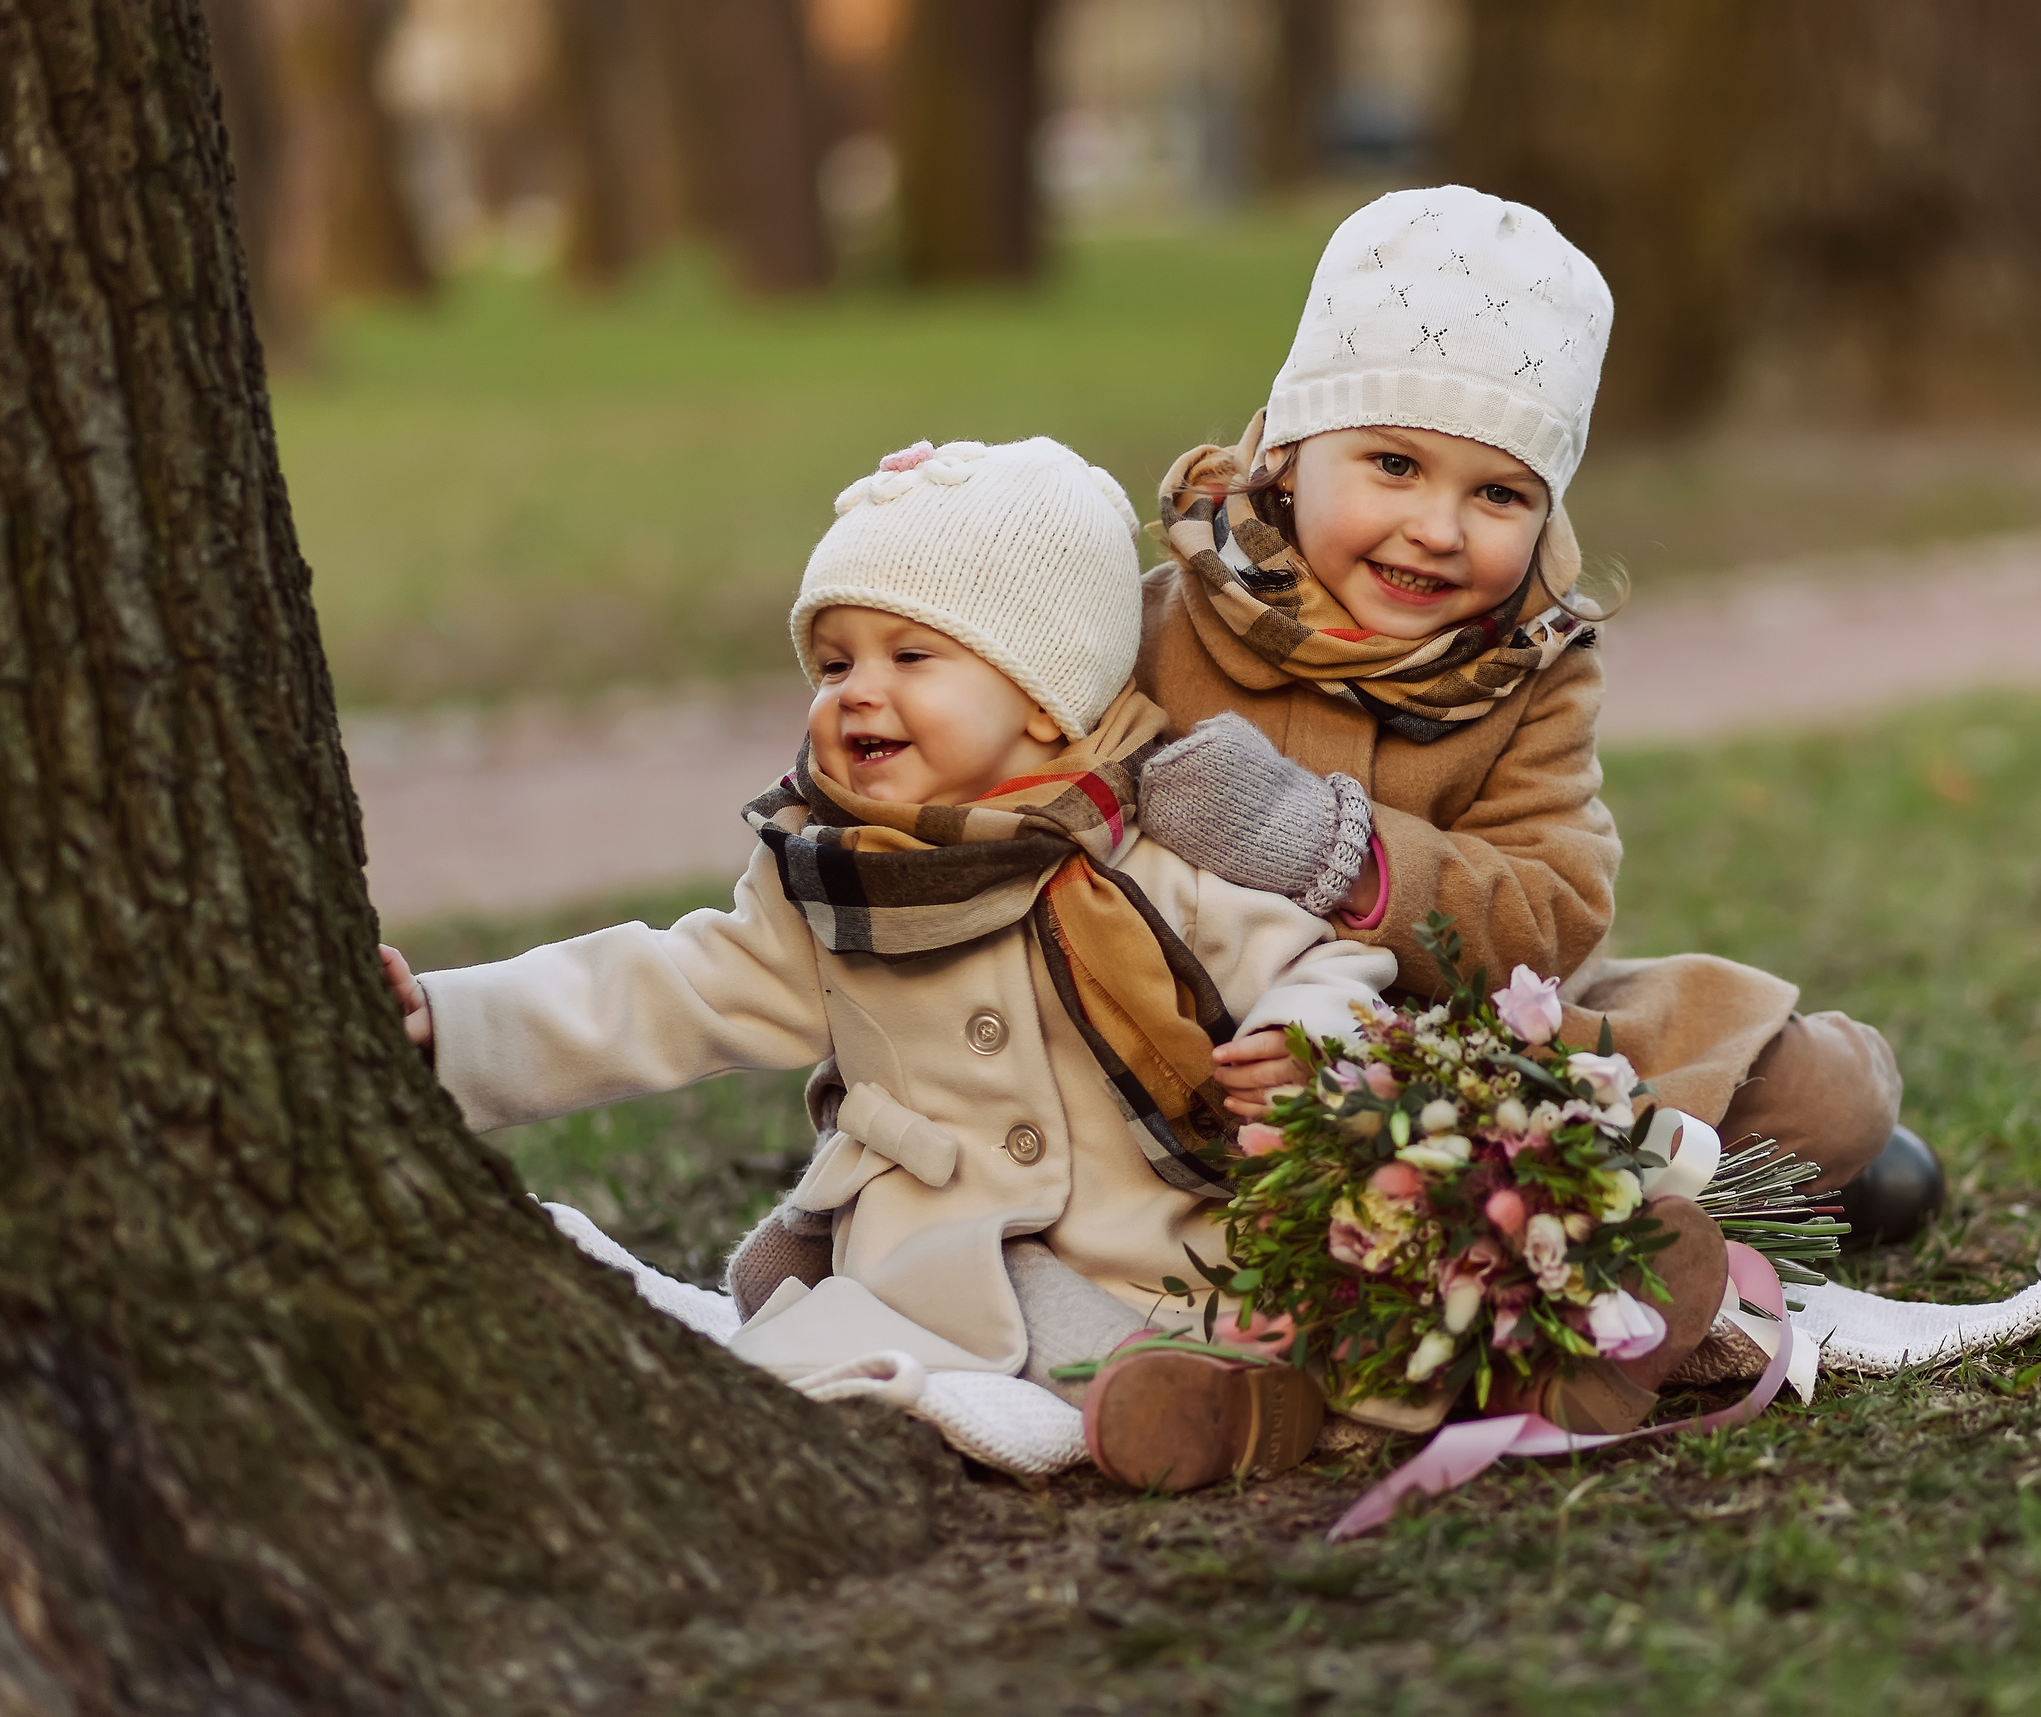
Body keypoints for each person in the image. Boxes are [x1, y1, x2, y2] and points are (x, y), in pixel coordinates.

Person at [380, 437, 1426, 1489]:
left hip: (1152, 1223)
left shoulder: (1149, 848)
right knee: (936, 1330)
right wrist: (453, 1023)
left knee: (1261, 1315)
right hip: (936, 1240)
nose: (855, 693)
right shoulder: (830, 876)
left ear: (1041, 695)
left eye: (909, 656)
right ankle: (1176, 1397)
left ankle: (1212, 1392)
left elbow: (1317, 961)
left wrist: (1306, 1042)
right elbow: (666, 987)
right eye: (834, 663)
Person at [1126, 187, 1945, 1428]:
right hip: (1186, 1059)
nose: (1435, 529)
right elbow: (982, 709)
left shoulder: (1532, 673)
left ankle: (1661, 1189)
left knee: (1815, 1091)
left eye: (1497, 494)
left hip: (1462, 1046)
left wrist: (1336, 854)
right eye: (1392, 463)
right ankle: (1585, 1231)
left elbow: (1554, 909)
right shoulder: (1151, 624)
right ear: (1288, 454)